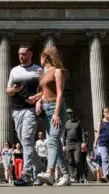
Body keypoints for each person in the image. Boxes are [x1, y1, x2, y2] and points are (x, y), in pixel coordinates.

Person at [6, 43, 44, 186]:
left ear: (30, 54)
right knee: (25, 143)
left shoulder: (38, 70)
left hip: (31, 109)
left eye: (24, 54)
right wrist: (14, 90)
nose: (21, 56)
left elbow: (45, 90)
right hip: (17, 110)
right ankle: (40, 171)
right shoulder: (14, 71)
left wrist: (36, 98)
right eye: (20, 54)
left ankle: (26, 174)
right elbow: (7, 90)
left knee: (27, 139)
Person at [35, 46, 71, 186]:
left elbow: (60, 93)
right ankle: (66, 175)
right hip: (46, 108)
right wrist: (39, 100)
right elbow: (45, 92)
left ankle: (50, 173)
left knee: (53, 140)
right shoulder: (45, 73)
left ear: (46, 56)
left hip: (56, 107)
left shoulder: (58, 72)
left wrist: (57, 112)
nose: (40, 59)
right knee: (54, 142)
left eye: (41, 56)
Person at [93, 107, 109, 183]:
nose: (106, 113)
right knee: (104, 159)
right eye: (105, 112)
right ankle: (106, 175)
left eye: (108, 112)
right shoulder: (100, 122)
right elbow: (98, 133)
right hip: (102, 143)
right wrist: (95, 142)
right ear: (103, 114)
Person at [63, 108, 88, 183]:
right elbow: (64, 135)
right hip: (68, 143)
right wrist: (64, 145)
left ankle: (82, 175)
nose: (69, 114)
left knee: (78, 160)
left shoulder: (78, 122)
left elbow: (82, 132)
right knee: (70, 161)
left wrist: (84, 142)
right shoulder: (66, 123)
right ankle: (74, 177)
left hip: (77, 143)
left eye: (70, 113)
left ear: (73, 113)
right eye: (68, 113)